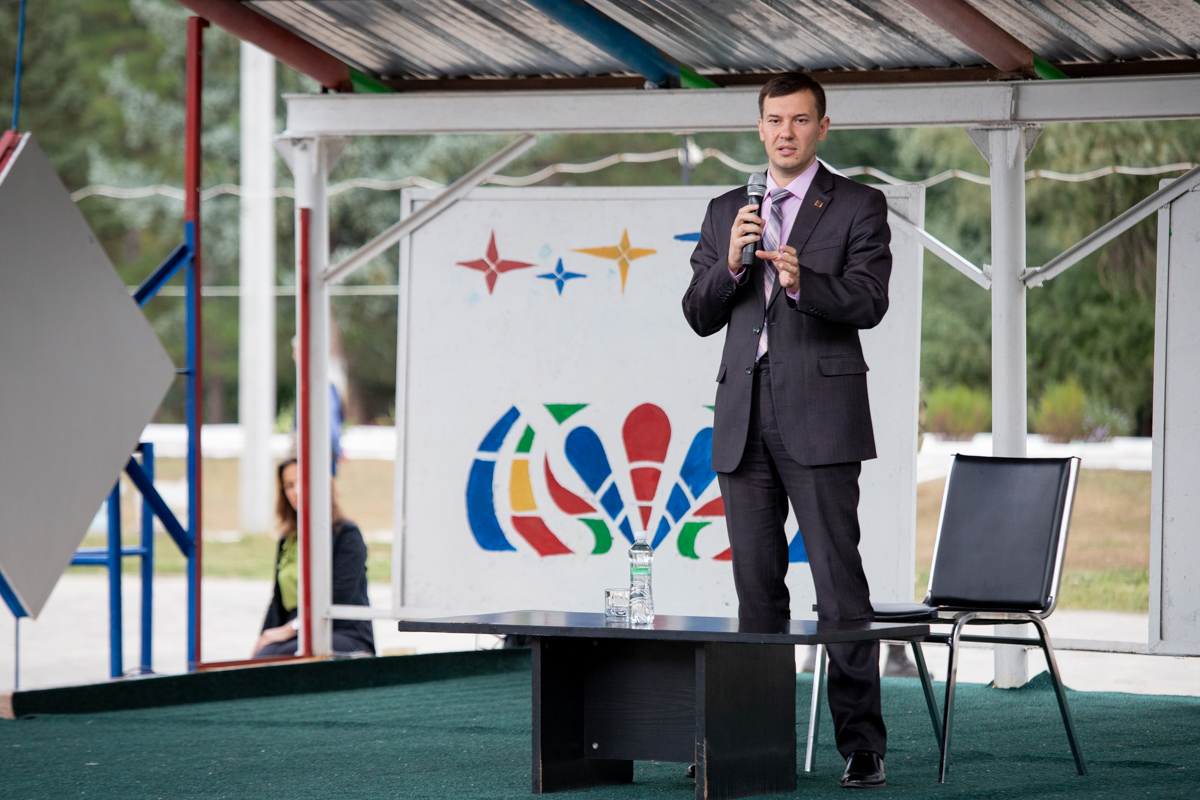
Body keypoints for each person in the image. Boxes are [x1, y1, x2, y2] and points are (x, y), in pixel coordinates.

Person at [681, 72, 892, 789]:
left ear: (822, 128)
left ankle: (861, 744)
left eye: (800, 120)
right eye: (775, 120)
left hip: (822, 415)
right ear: (760, 126)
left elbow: (870, 301)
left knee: (839, 589)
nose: (785, 133)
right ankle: (750, 740)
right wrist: (731, 264)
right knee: (757, 593)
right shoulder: (726, 210)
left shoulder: (858, 204)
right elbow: (698, 312)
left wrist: (805, 284)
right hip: (743, 415)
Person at [253, 457, 375, 657]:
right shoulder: (288, 539)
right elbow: (277, 602)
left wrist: (291, 628)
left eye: (301, 481)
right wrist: (262, 641)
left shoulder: (347, 534)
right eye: (289, 485)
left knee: (284, 657)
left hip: (342, 631)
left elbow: (337, 597)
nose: (295, 491)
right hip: (295, 632)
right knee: (263, 659)